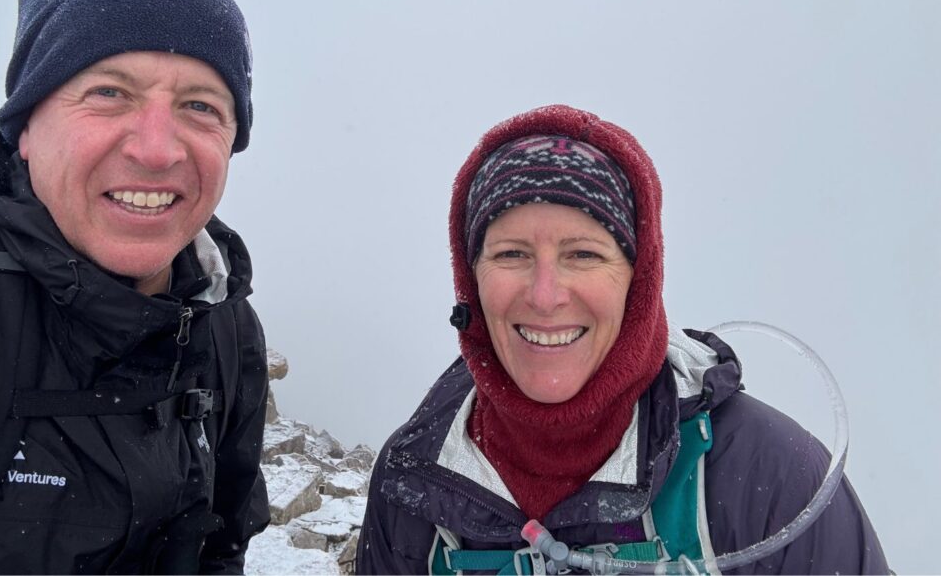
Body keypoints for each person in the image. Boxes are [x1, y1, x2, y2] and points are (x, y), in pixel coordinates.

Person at [357, 104, 888, 574]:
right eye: (511, 253)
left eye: (583, 254)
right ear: (470, 279)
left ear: (639, 280)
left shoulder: (768, 476)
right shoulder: (412, 485)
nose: (545, 296)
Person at [0, 0, 269, 573]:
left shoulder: (222, 324)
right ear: (24, 127)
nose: (158, 150)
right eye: (110, 92)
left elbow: (222, 546)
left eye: (200, 106)